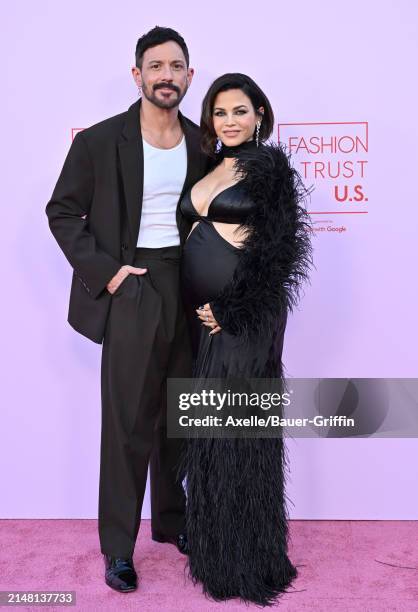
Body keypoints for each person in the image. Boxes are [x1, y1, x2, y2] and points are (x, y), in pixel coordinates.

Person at [45, 26, 210, 593]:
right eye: (156, 66)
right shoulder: (99, 141)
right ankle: (118, 547)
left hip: (188, 288)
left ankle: (170, 521)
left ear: (191, 75)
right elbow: (62, 211)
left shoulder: (203, 142)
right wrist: (110, 274)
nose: (167, 75)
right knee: (126, 426)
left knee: (181, 415)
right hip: (133, 286)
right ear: (137, 74)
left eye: (177, 66)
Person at [178, 73, 313, 606]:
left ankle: (248, 562)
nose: (228, 121)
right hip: (210, 318)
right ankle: (218, 552)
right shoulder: (212, 166)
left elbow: (279, 252)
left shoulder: (271, 169)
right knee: (214, 430)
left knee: (237, 430)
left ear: (259, 114)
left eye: (239, 111)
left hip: (245, 318)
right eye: (219, 112)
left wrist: (231, 310)